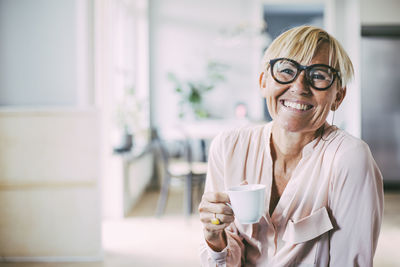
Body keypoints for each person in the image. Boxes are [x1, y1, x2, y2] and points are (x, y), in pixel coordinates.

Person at [198, 25, 383, 266]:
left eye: (318, 75)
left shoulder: (350, 159)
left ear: (338, 96)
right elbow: (224, 259)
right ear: (264, 82)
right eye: (286, 70)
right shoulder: (228, 147)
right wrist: (214, 237)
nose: (299, 86)